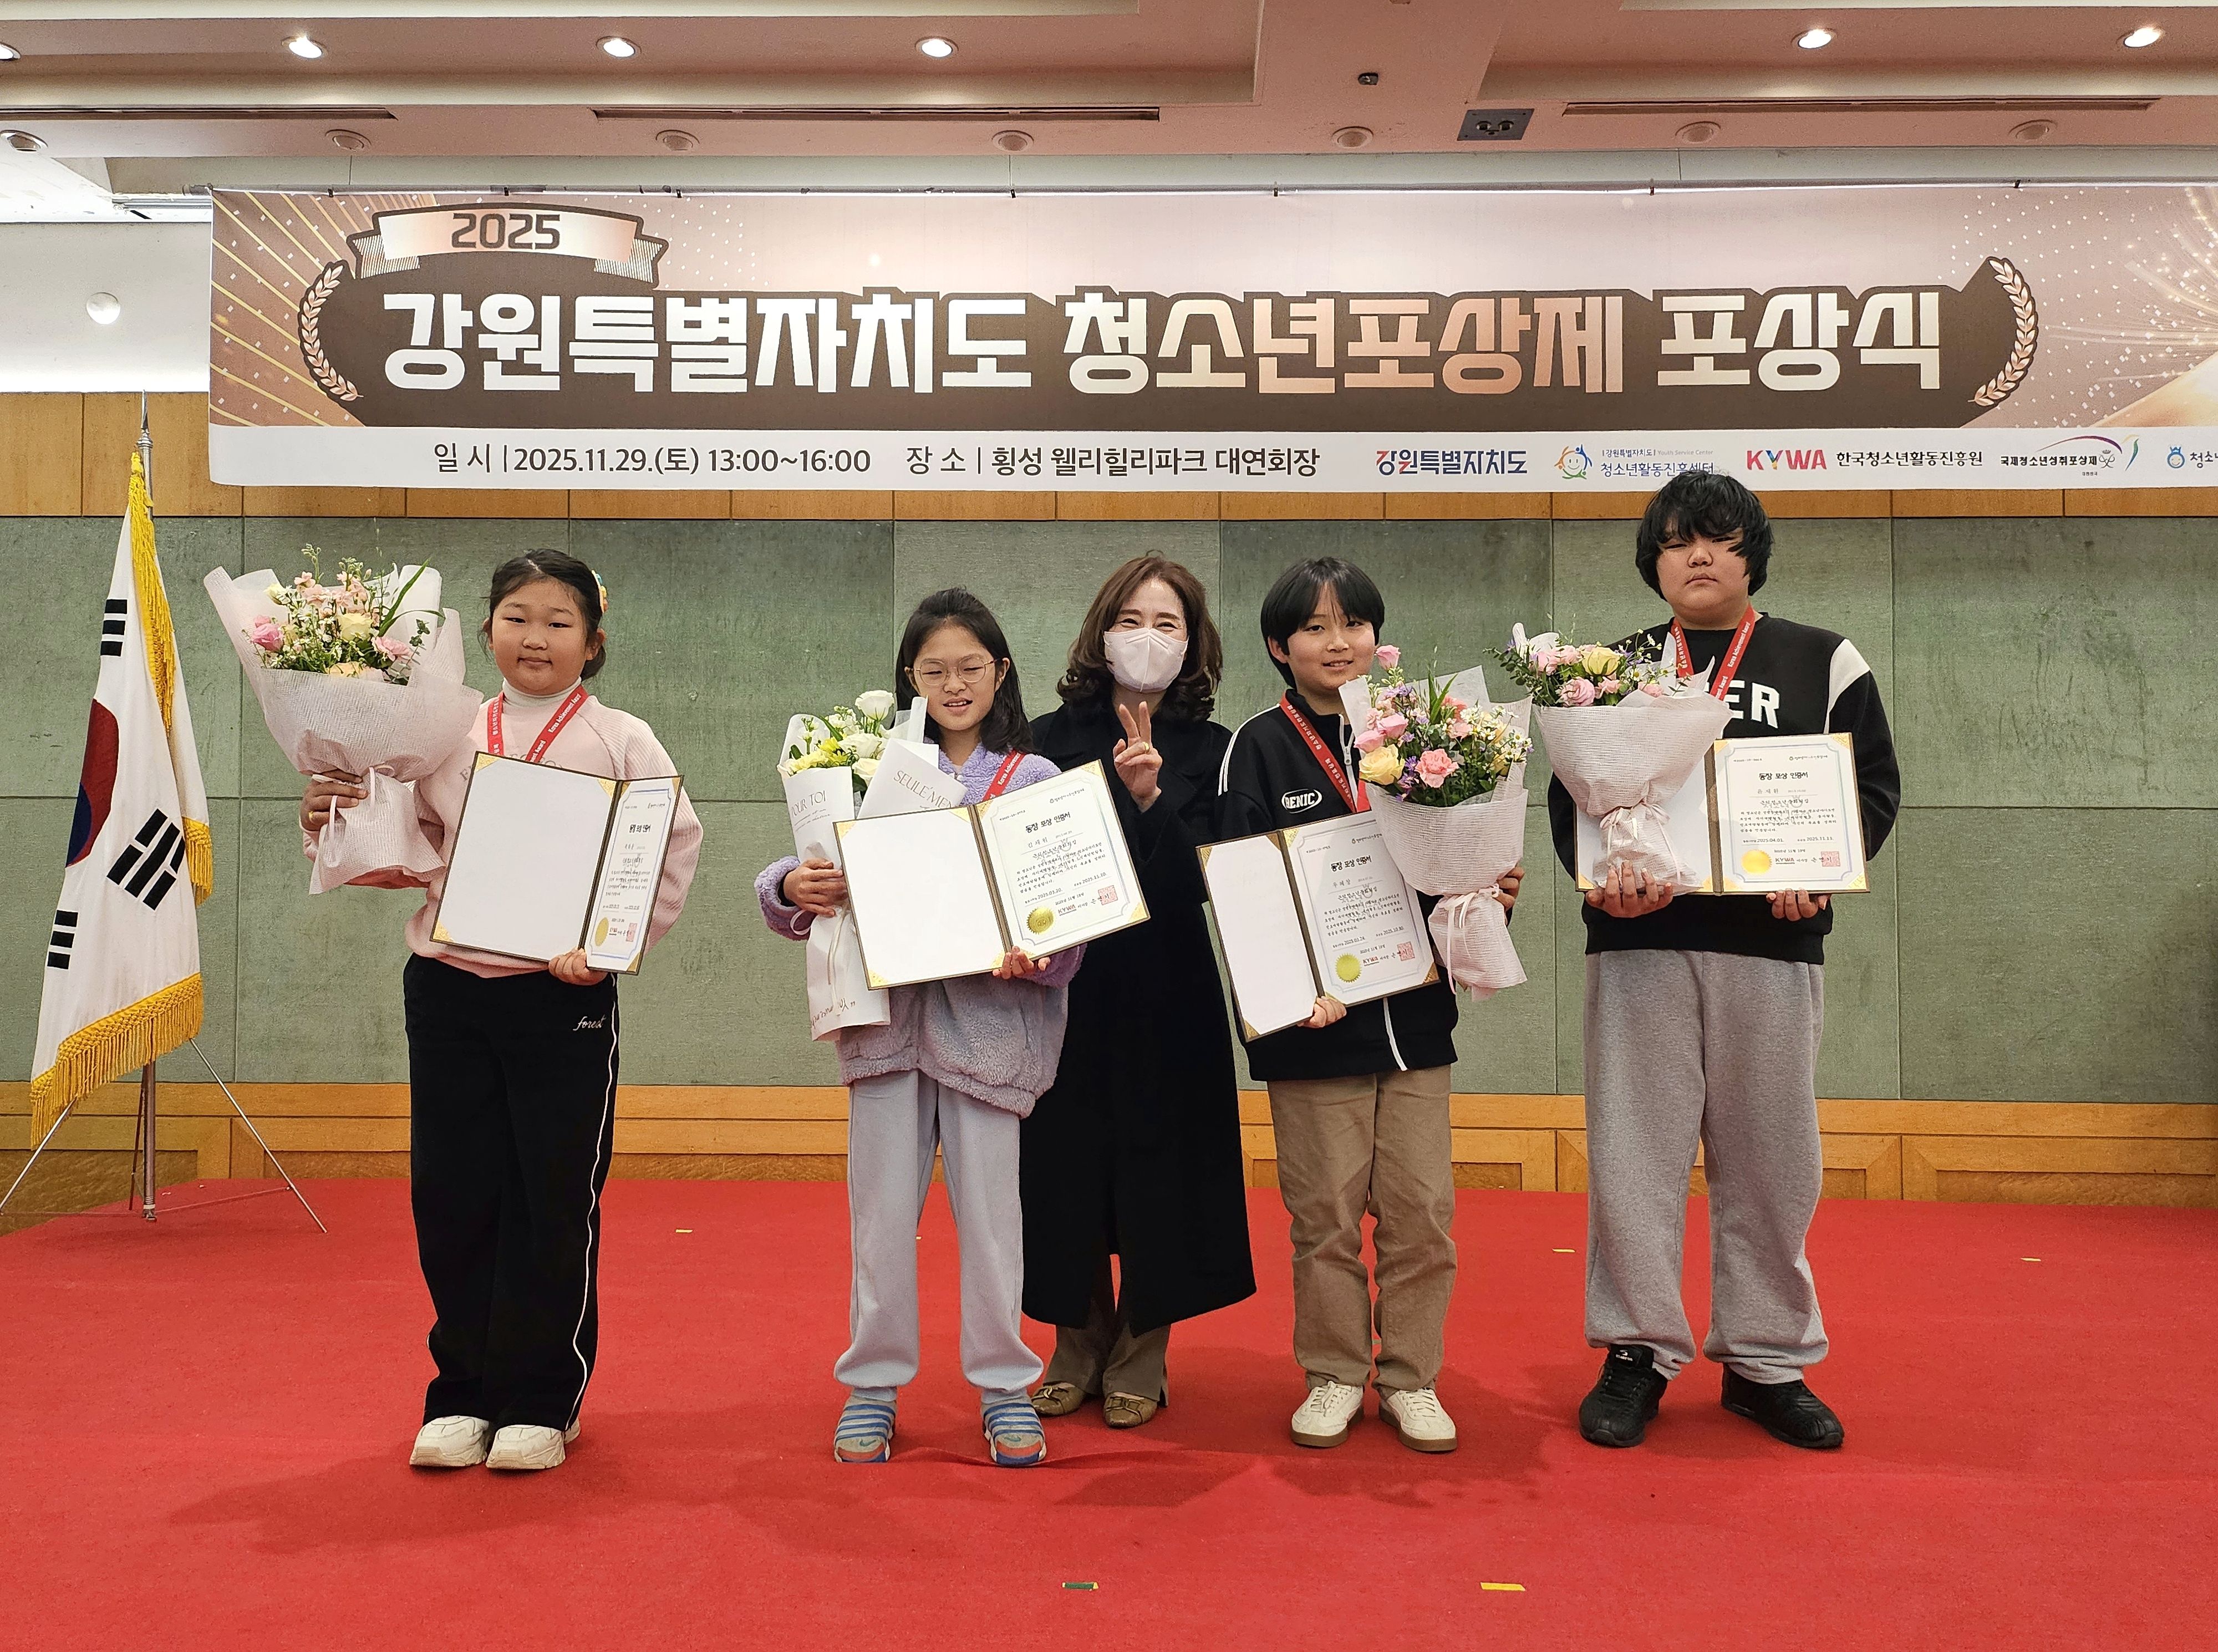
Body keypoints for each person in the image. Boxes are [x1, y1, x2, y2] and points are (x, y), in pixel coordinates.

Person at [302, 550, 703, 1473]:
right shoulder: (438, 734)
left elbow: (668, 848)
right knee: (452, 1194)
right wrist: (333, 813)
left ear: (593, 643)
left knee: (552, 1198)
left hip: (561, 997)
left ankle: (541, 1399)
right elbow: (401, 847)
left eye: (560, 622)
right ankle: (461, 1393)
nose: (536, 637)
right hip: (448, 988)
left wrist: (606, 949)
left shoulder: (623, 741)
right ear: (485, 631)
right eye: (518, 617)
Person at [1548, 470, 1900, 1452]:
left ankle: (1764, 1359)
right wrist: (1599, 880)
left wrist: (1822, 872)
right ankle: (1637, 1349)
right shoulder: (1606, 671)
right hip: (1642, 940)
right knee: (1634, 1154)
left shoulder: (1823, 658)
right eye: (1675, 540)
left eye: (1718, 537)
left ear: (1753, 553)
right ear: (1653, 562)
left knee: (1773, 1157)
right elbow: (1571, 799)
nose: (1697, 555)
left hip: (1772, 943)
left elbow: (1871, 786)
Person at [757, 588, 1080, 1469]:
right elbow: (807, 861)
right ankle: (872, 1384)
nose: (953, 684)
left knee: (994, 1226)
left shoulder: (1034, 779)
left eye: (970, 667)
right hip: (885, 1032)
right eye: (934, 670)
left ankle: (1005, 1387)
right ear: (910, 678)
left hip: (992, 1034)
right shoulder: (873, 767)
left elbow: (1066, 910)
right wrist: (791, 885)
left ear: (1001, 671)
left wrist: (1041, 952)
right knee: (880, 1221)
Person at [1216, 557, 1519, 1455]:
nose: (1337, 641)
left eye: (1352, 623)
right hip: (1315, 1030)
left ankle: (1413, 1377)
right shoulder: (1257, 747)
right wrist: (1287, 994)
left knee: (1422, 1214)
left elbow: (1456, 863)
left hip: (1416, 1023)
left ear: (1376, 636)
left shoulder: (1427, 733)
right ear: (1280, 647)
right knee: (1326, 1221)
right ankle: (1336, 1373)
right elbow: (1242, 894)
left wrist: (1488, 890)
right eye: (1313, 627)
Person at [1022, 556, 1256, 1431]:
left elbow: (1207, 882)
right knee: (1063, 1166)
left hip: (1169, 986)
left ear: (1193, 643)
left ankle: (1143, 1349)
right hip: (1064, 987)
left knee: (1164, 1168)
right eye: (1130, 619)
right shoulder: (1043, 738)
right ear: (1100, 631)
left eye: (1168, 624)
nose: (1147, 638)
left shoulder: (1220, 749)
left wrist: (1152, 799)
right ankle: (1074, 1342)